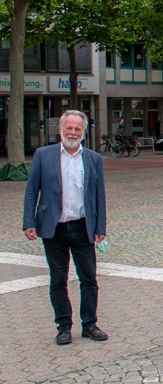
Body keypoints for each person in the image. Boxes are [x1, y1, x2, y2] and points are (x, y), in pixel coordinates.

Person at [23, 110, 109, 346]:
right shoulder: (43, 155)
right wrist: (28, 222)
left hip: (83, 227)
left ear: (84, 132)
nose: (73, 133)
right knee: (58, 279)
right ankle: (63, 326)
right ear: (60, 130)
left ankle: (90, 324)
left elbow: (99, 195)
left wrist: (100, 226)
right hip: (54, 228)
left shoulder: (93, 159)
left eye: (77, 129)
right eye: (69, 128)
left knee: (89, 279)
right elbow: (32, 191)